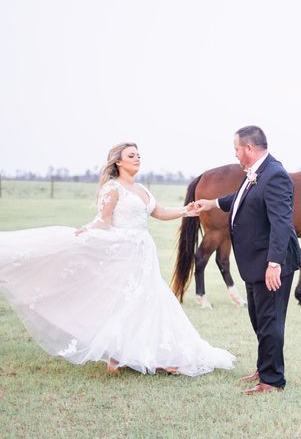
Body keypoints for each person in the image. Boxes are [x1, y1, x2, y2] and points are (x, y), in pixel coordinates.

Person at [0, 142, 235, 376]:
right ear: (118, 162)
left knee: (148, 301)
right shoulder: (112, 188)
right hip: (122, 251)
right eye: (131, 155)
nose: (137, 158)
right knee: (123, 301)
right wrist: (87, 230)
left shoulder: (142, 189)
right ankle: (116, 355)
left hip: (143, 253)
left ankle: (148, 354)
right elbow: (103, 219)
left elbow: (160, 212)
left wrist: (186, 211)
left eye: (138, 155)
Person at [194, 126, 301, 394]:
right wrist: (212, 203)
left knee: (270, 320)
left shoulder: (275, 175)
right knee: (259, 318)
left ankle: (272, 381)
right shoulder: (255, 173)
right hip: (255, 263)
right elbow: (240, 199)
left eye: (236, 149)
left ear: (249, 149)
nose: (235, 154)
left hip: (271, 264)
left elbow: (281, 223)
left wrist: (274, 264)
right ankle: (264, 367)